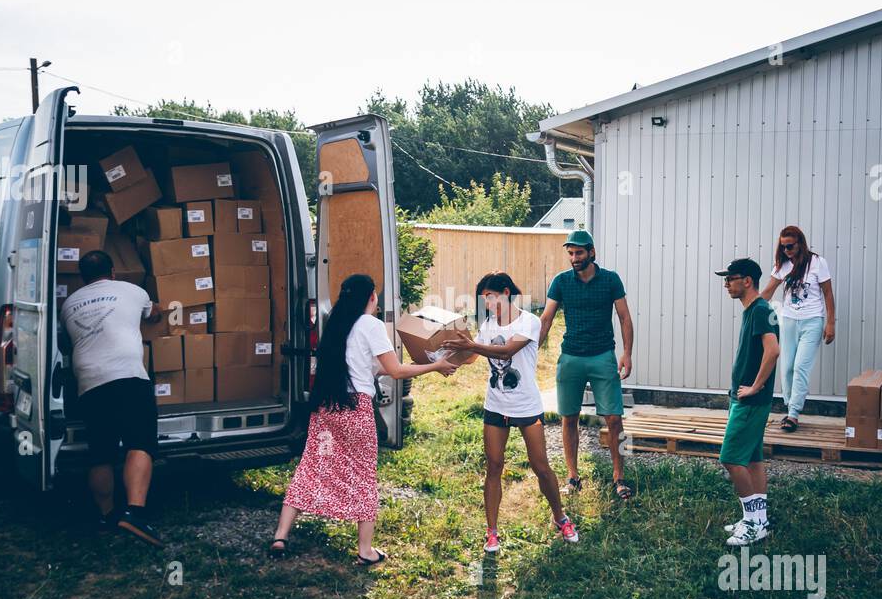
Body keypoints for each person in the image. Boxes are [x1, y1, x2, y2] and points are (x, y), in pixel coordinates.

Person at [270, 274, 457, 564]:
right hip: (354, 410)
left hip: (326, 410)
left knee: (311, 466)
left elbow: (368, 368)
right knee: (363, 473)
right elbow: (395, 371)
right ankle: (365, 550)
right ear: (371, 296)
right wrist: (436, 366)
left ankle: (280, 536)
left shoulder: (336, 323)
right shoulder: (372, 324)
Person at [450, 272, 578, 553]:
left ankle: (561, 517)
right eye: (484, 299)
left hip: (525, 406)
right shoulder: (487, 324)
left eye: (490, 297)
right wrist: (445, 355)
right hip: (495, 406)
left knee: (540, 466)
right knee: (493, 466)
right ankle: (492, 532)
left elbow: (506, 352)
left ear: (505, 292)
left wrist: (472, 345)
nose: (487, 303)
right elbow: (472, 356)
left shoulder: (528, 322)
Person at [60, 249, 165, 547]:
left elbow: (66, 342)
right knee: (140, 443)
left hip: (89, 382)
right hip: (128, 377)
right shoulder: (133, 291)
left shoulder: (69, 304)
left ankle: (106, 516)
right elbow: (155, 314)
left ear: (83, 277)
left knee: (100, 453)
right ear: (113, 272)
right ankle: (134, 513)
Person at [539, 229, 636, 502]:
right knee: (568, 417)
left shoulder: (610, 280)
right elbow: (546, 319)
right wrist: (530, 351)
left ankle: (619, 476)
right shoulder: (560, 282)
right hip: (571, 357)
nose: (574, 258)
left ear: (591, 252)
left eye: (579, 253)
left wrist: (627, 354)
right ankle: (572, 476)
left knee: (615, 418)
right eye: (570, 253)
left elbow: (624, 318)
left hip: (603, 356)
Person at [715, 257, 780, 547]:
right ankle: (759, 519)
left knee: (730, 458)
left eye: (731, 278)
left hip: (751, 401)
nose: (726, 283)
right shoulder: (754, 310)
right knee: (753, 459)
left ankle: (753, 524)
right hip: (745, 398)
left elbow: (773, 351)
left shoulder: (761, 310)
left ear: (748, 281)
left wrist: (755, 386)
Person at [759, 226, 835, 432]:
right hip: (789, 321)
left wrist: (830, 323)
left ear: (800, 243)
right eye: (783, 247)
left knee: (801, 366)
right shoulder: (782, 265)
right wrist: (751, 308)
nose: (787, 250)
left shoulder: (817, 263)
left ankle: (793, 413)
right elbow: (768, 291)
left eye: (790, 246)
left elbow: (827, 293)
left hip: (812, 320)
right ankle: (790, 404)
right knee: (788, 367)